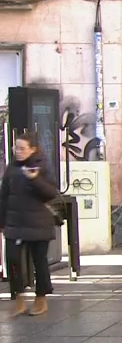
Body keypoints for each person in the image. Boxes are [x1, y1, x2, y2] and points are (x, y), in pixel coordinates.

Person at [1, 131, 60, 316]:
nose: (18, 151)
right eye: (15, 148)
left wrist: (34, 179)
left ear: (32, 149)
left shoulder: (41, 166)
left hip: (37, 223)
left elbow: (51, 192)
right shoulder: (12, 167)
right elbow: (3, 195)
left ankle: (41, 297)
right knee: (13, 260)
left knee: (39, 261)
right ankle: (18, 297)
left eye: (22, 148)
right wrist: (1, 221)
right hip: (14, 223)